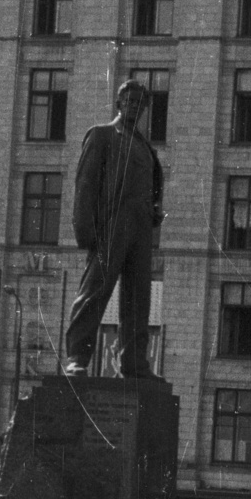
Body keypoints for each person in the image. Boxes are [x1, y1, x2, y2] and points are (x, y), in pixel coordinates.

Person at [63, 80, 165, 378]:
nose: (134, 106)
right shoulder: (103, 135)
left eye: (139, 103)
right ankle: (77, 357)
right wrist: (86, 233)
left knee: (139, 298)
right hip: (112, 224)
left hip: (141, 228)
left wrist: (153, 212)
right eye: (129, 101)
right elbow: (85, 186)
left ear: (145, 108)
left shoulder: (144, 146)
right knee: (95, 291)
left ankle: (134, 362)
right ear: (119, 103)